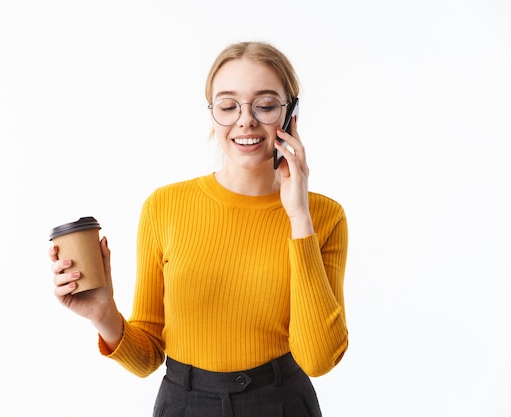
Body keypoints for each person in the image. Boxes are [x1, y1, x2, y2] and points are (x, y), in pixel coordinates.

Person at [50, 41, 348, 417]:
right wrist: (102, 313)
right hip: (184, 404)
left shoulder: (324, 216)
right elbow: (148, 359)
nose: (245, 120)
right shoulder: (164, 206)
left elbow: (319, 359)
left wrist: (299, 218)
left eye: (266, 105)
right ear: (212, 114)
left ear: (291, 116)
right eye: (227, 106)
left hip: (282, 403)